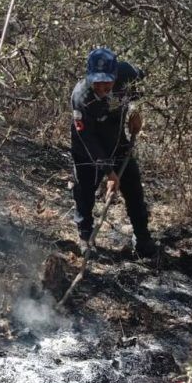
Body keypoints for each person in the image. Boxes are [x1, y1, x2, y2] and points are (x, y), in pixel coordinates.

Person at [70, 47, 157, 259]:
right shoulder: (81, 97)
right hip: (88, 151)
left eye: (106, 81)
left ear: (115, 75)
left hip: (117, 144)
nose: (101, 86)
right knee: (84, 193)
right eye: (96, 81)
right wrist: (108, 172)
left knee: (134, 189)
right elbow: (87, 139)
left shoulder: (127, 74)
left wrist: (136, 110)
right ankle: (86, 237)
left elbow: (145, 85)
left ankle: (143, 239)